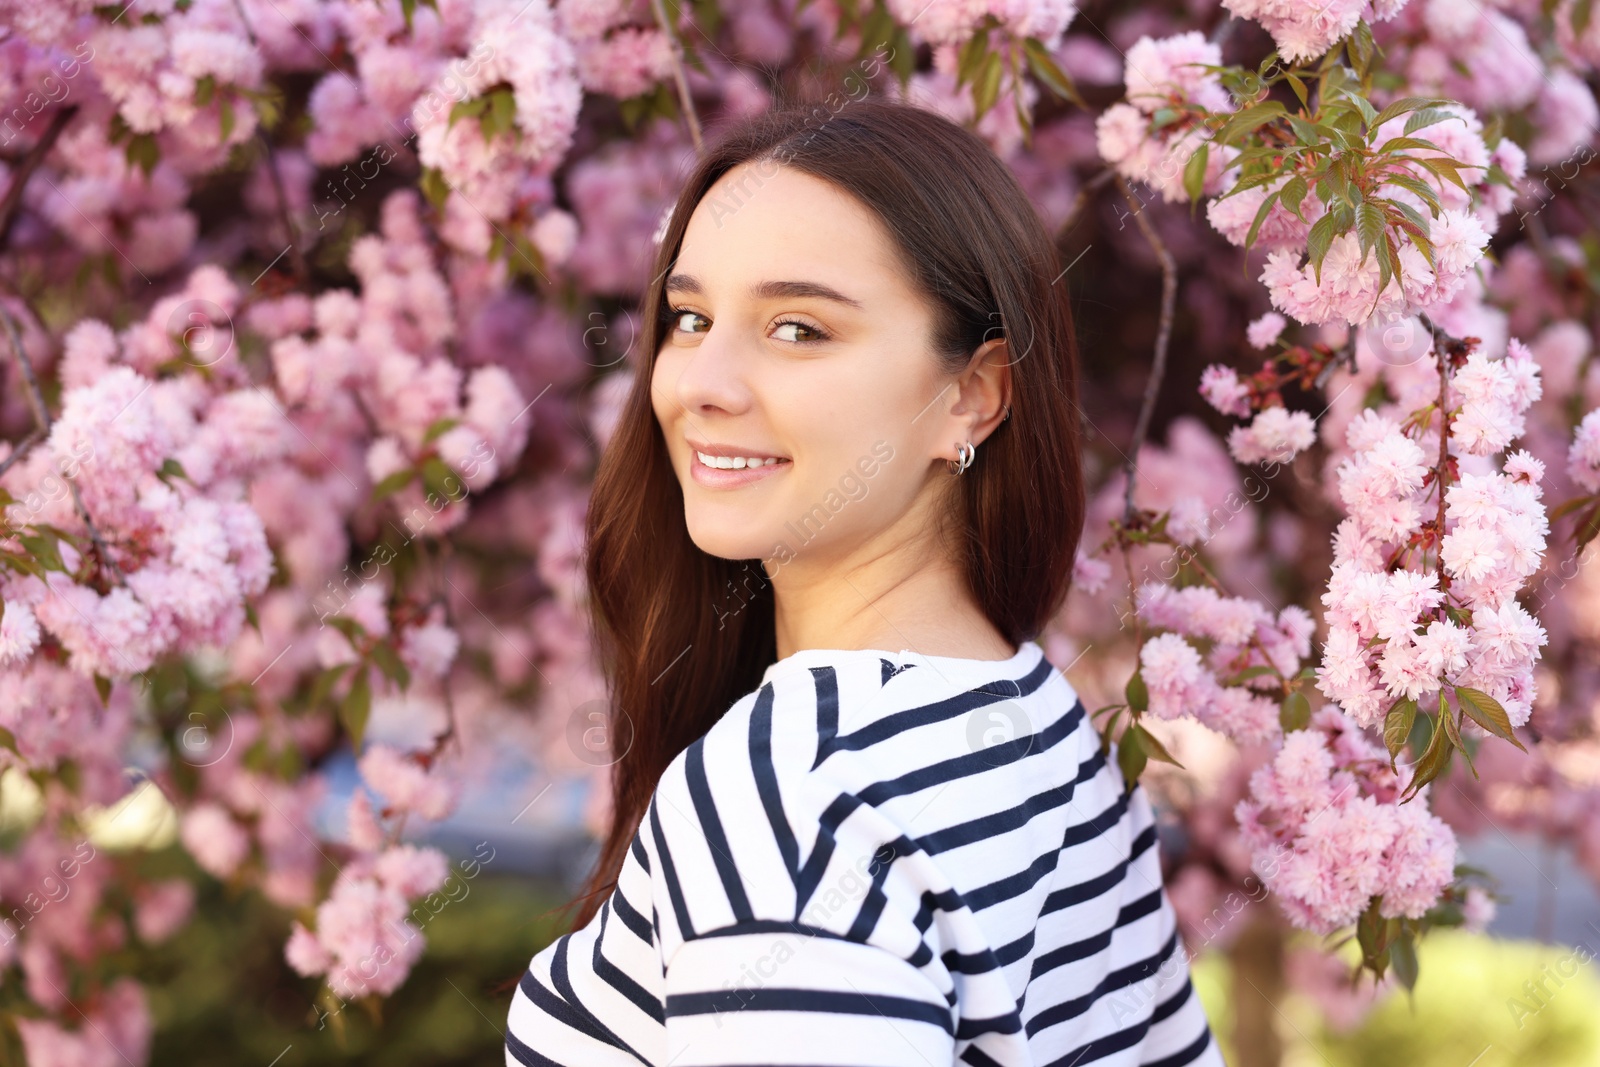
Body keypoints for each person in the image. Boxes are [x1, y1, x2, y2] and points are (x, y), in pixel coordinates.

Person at [504, 96, 1221, 1067]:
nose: (702, 381)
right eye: (690, 316)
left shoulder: (796, 794)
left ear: (969, 395)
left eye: (798, 328)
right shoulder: (1043, 724)